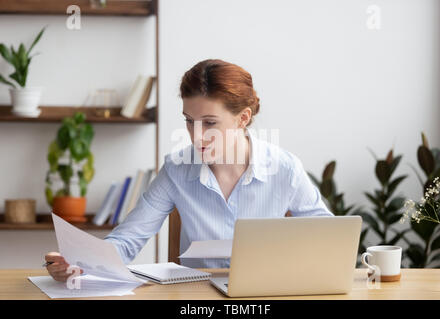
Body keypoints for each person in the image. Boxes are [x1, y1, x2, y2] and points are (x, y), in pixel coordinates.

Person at [44, 59, 334, 282]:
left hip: (265, 295)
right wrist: (82, 263)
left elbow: (329, 239)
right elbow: (129, 239)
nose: (196, 136)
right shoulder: (176, 170)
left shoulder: (284, 169)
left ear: (242, 118)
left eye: (209, 122)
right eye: (188, 120)